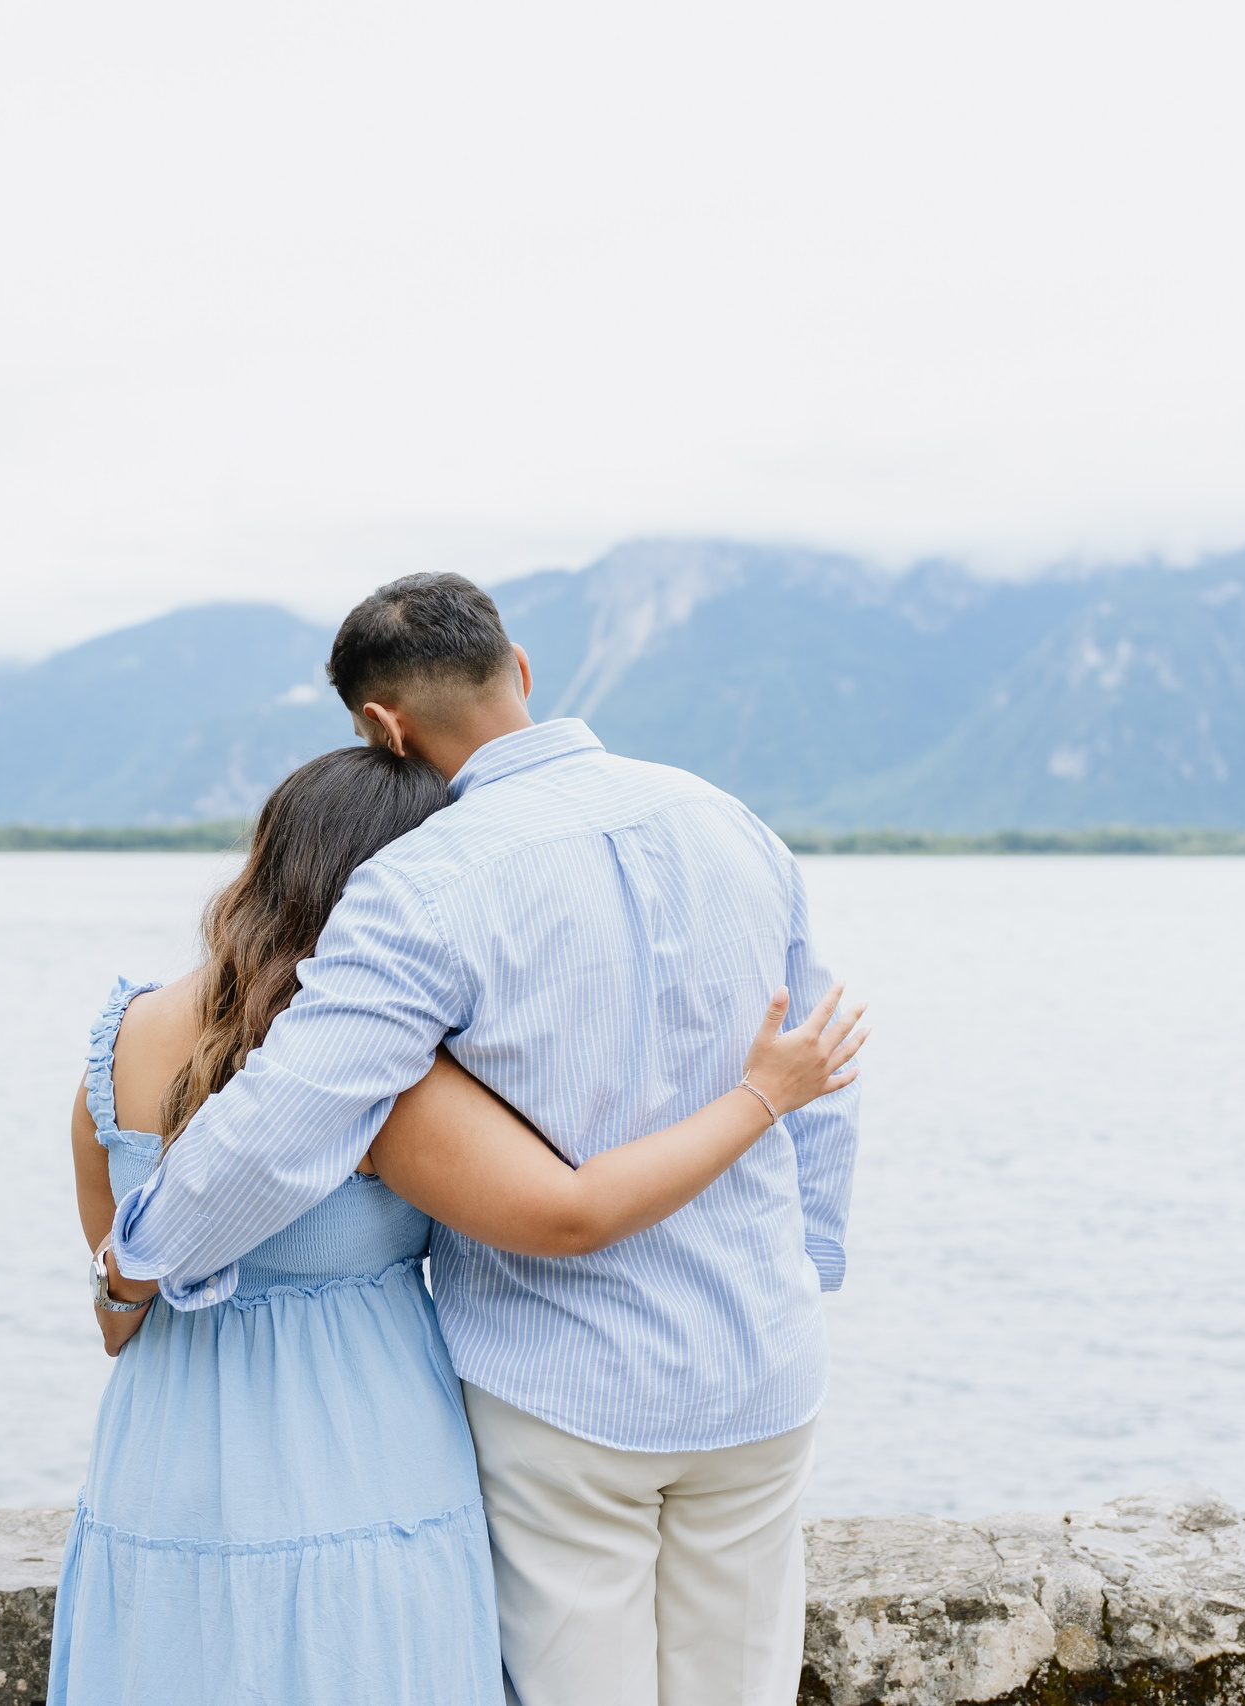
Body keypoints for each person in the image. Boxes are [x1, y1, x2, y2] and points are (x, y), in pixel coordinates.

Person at [108, 573, 863, 1706]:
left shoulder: (419, 886)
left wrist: (142, 1249)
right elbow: (824, 1069)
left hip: (564, 1381)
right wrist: (803, 1267)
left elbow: (286, 1118)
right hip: (758, 1364)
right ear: (518, 668)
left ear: (381, 727)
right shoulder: (727, 819)